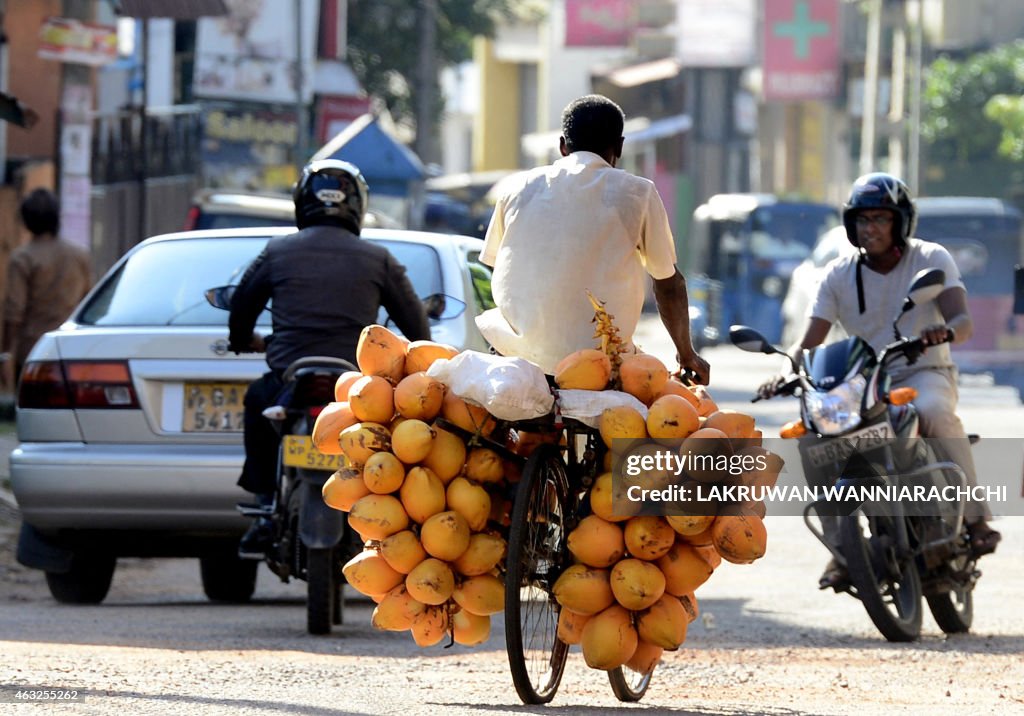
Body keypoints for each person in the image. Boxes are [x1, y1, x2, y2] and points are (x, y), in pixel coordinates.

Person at [761, 172, 1001, 588]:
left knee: (933, 412)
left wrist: (941, 333)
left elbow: (962, 322)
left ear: (901, 221)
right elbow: (808, 340)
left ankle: (976, 518)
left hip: (923, 370)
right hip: (861, 382)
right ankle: (842, 550)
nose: (870, 228)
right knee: (815, 440)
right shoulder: (837, 274)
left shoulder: (931, 258)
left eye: (880, 219)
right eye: (862, 220)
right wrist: (785, 372)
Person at [228, 159, 431, 557]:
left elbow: (241, 306)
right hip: (357, 387)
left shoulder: (277, 251)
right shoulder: (378, 258)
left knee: (256, 400)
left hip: (288, 379)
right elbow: (416, 326)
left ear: (302, 202)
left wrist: (242, 340)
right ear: (357, 205)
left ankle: (265, 507)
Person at [477, 94, 710, 385]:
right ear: (620, 147)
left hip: (517, 357)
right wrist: (686, 355)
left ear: (563, 145)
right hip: (603, 363)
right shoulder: (638, 193)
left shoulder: (516, 188)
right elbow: (668, 284)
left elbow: (495, 265)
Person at [2, 188, 92, 389]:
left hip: (34, 350)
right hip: (71, 348)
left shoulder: (23, 258)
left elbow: (14, 312)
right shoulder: (79, 255)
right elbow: (88, 301)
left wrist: (5, 353)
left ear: (26, 220)